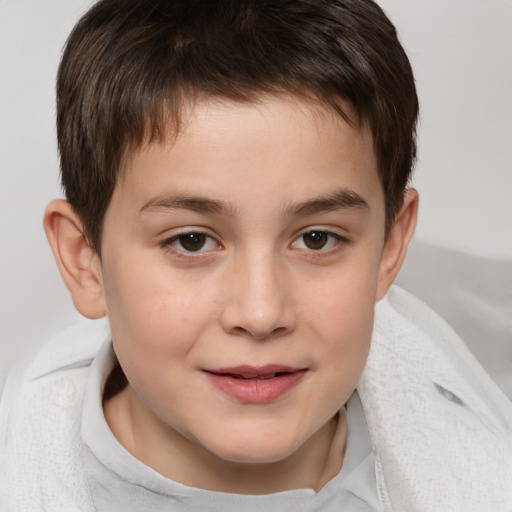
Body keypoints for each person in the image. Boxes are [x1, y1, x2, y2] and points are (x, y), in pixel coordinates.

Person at [0, 0, 510, 510]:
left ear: (389, 247)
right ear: (84, 259)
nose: (261, 313)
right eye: (191, 241)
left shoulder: (480, 479)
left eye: (317, 239)